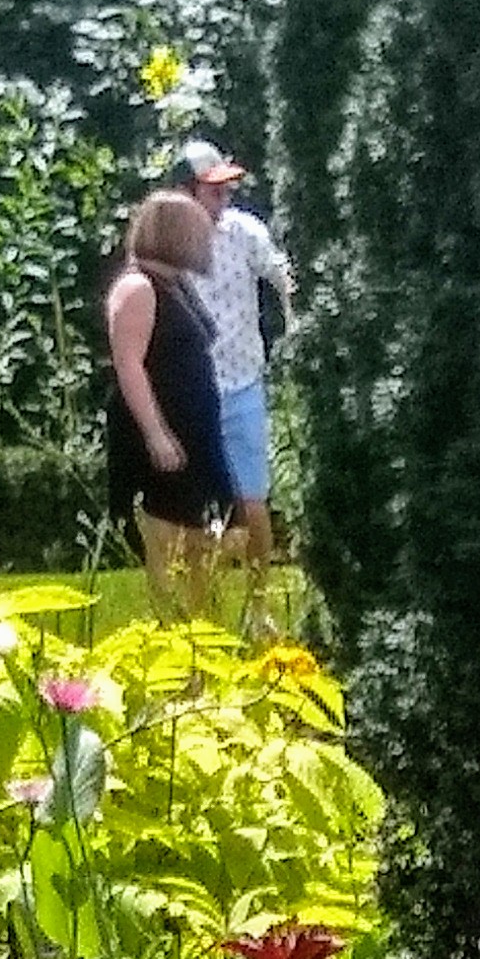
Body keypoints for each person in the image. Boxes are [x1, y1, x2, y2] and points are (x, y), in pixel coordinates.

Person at [176, 138, 295, 607]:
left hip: (243, 382)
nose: (224, 197)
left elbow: (277, 270)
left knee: (252, 500)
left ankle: (259, 603)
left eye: (227, 189)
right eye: (214, 190)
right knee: (192, 509)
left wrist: (292, 307)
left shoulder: (245, 232)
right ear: (186, 191)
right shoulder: (171, 245)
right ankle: (199, 610)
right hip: (192, 391)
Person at [105, 190, 232, 615]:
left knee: (205, 538)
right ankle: (171, 630)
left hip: (193, 430)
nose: (208, 241)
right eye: (199, 233)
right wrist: (155, 434)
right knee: (168, 538)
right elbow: (129, 364)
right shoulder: (138, 288)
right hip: (162, 430)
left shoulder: (177, 285)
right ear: (176, 236)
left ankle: (201, 626)